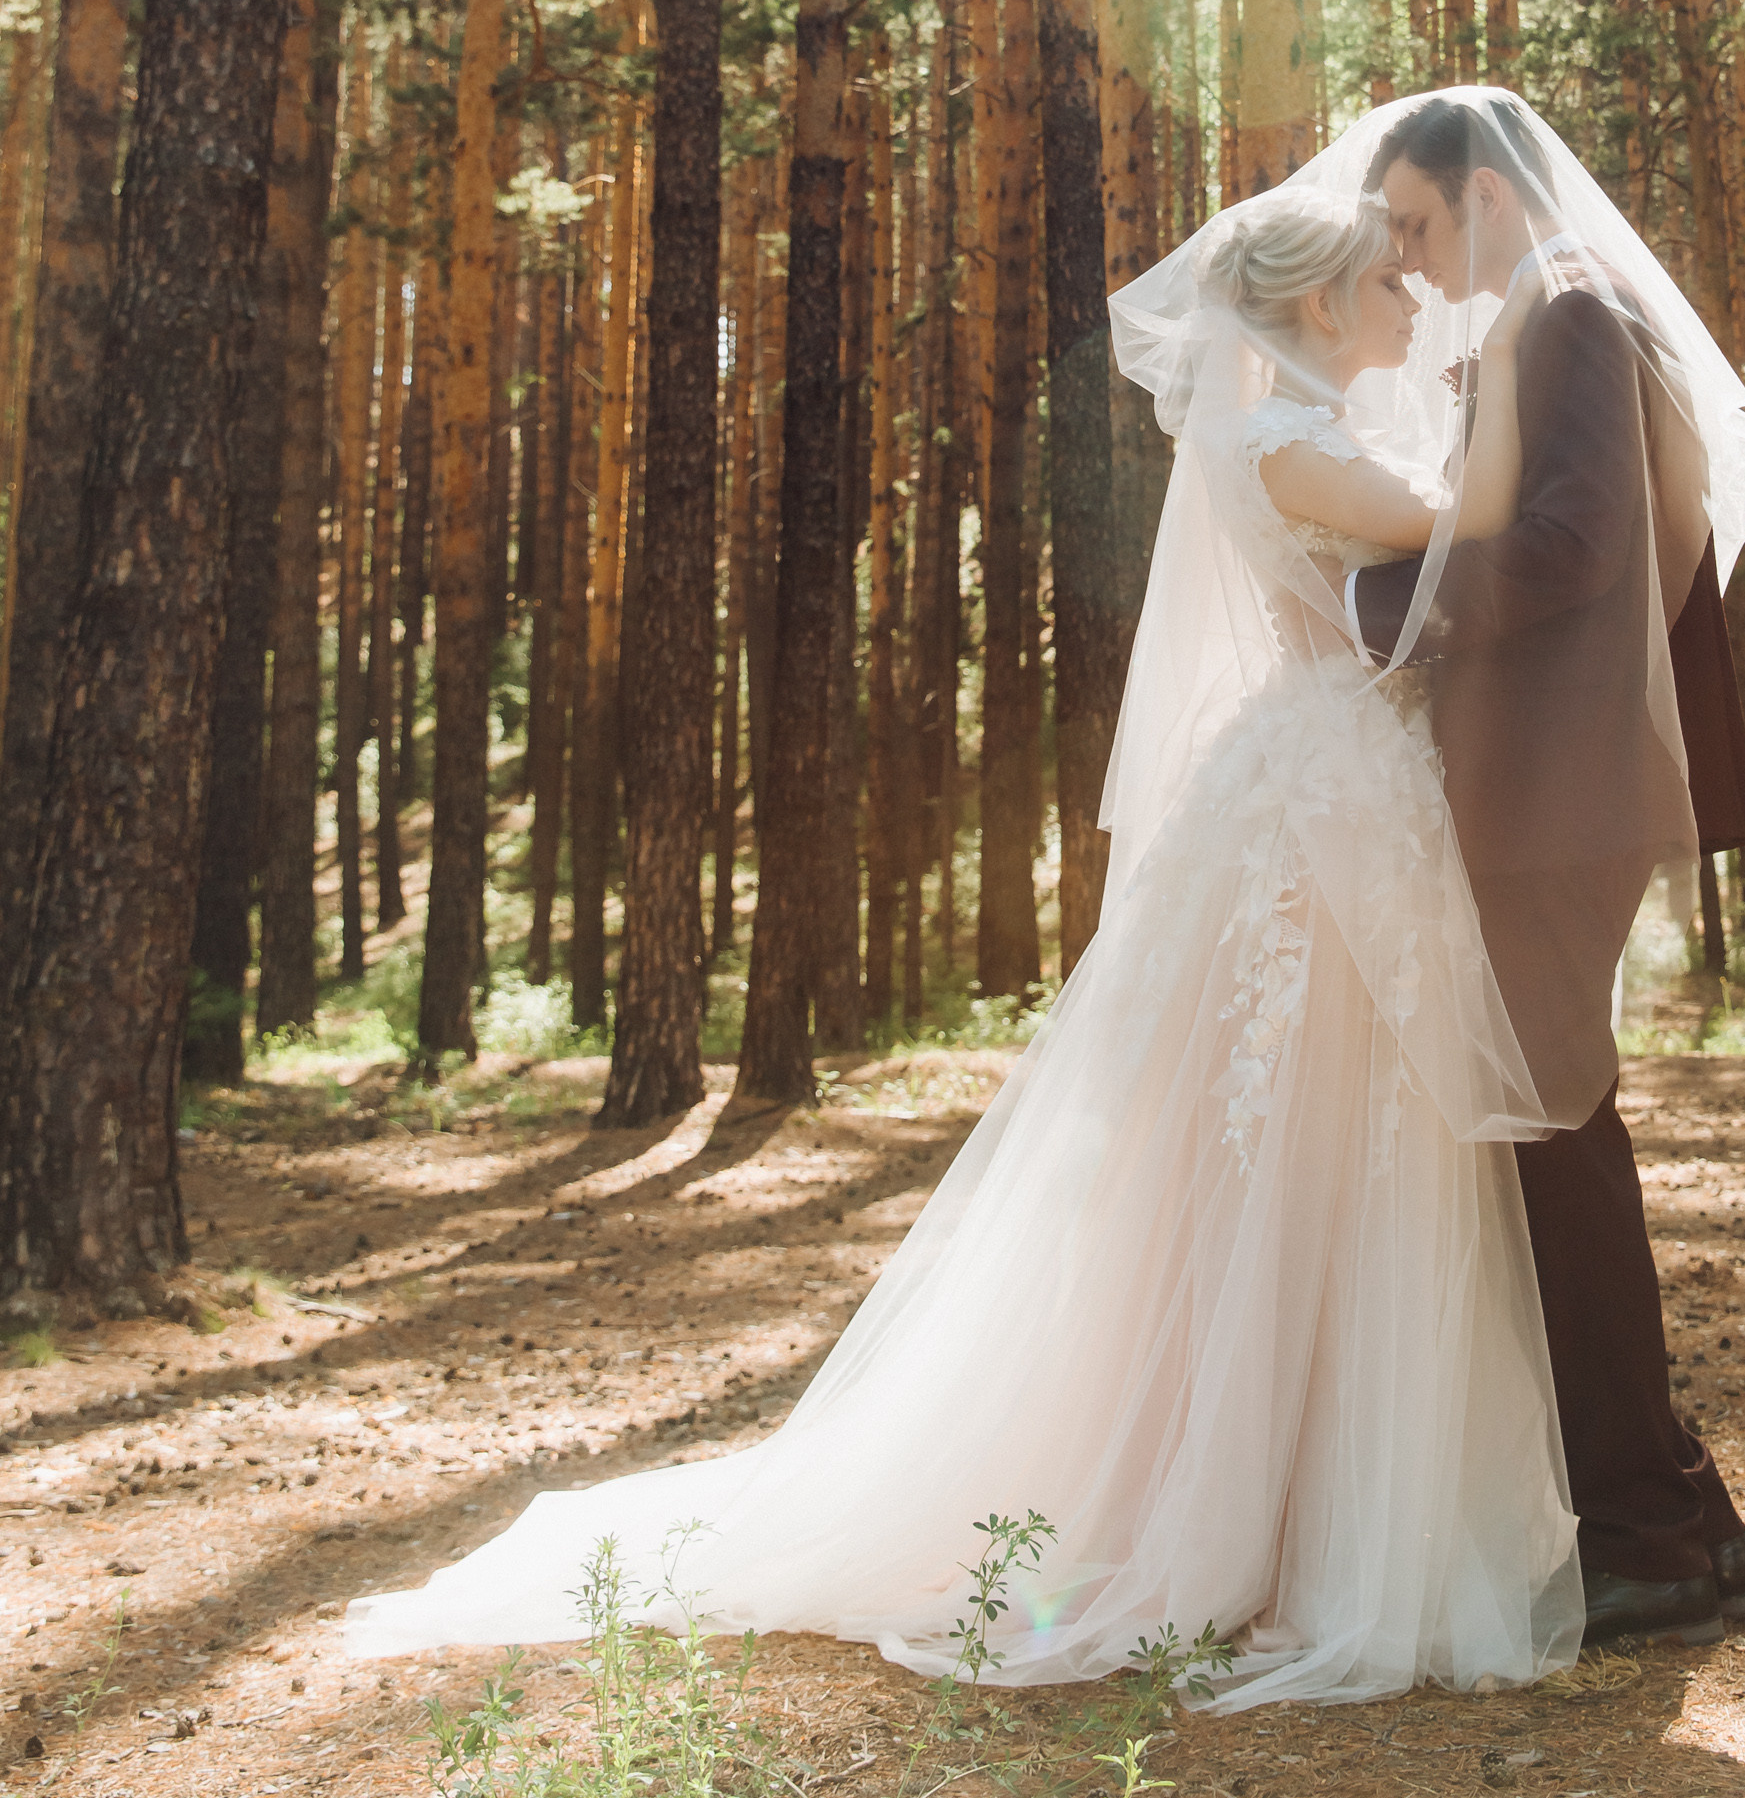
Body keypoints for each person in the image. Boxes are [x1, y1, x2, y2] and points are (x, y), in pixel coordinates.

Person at [348, 151, 1582, 1703]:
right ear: (1327, 303)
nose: (1412, 288)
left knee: (1316, 1152)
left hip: (1317, 793)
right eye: (1388, 273)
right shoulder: (1290, 445)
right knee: (1296, 1148)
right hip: (1310, 825)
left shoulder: (1290, 425)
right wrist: (1512, 354)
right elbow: (1465, 515)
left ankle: (1289, 1493)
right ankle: (1250, 1516)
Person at [1352, 89, 1745, 1650]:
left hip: (1557, 788)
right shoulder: (1553, 311)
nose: (1402, 254)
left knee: (1554, 1146)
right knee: (1560, 1134)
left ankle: (1648, 1538)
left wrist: (1375, 602)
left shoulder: (1571, 312)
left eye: (1415, 221)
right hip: (1546, 784)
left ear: (1493, 197)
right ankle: (1684, 1522)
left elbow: (1583, 543)